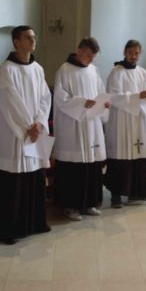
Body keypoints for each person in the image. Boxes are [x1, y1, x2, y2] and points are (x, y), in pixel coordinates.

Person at [0, 26, 52, 245]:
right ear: (16, 42)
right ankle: (8, 229)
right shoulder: (7, 70)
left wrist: (39, 122)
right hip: (15, 132)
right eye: (28, 37)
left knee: (35, 176)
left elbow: (45, 98)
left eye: (34, 37)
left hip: (34, 130)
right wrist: (28, 125)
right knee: (13, 181)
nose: (33, 40)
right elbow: (10, 103)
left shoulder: (38, 68)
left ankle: (35, 222)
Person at [53, 37, 110, 221]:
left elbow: (101, 91)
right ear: (78, 50)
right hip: (73, 125)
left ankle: (89, 203)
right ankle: (71, 206)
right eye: (88, 55)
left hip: (91, 124)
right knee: (73, 167)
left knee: (91, 164)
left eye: (93, 56)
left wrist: (105, 103)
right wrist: (82, 102)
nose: (90, 59)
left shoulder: (94, 70)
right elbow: (60, 98)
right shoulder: (64, 69)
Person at [104, 40, 146, 208]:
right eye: (131, 52)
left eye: (136, 53)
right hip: (122, 120)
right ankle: (116, 195)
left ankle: (136, 192)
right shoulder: (116, 72)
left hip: (139, 119)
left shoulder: (143, 72)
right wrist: (137, 97)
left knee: (138, 156)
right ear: (125, 52)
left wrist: (144, 98)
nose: (133, 56)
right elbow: (114, 97)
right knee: (121, 156)